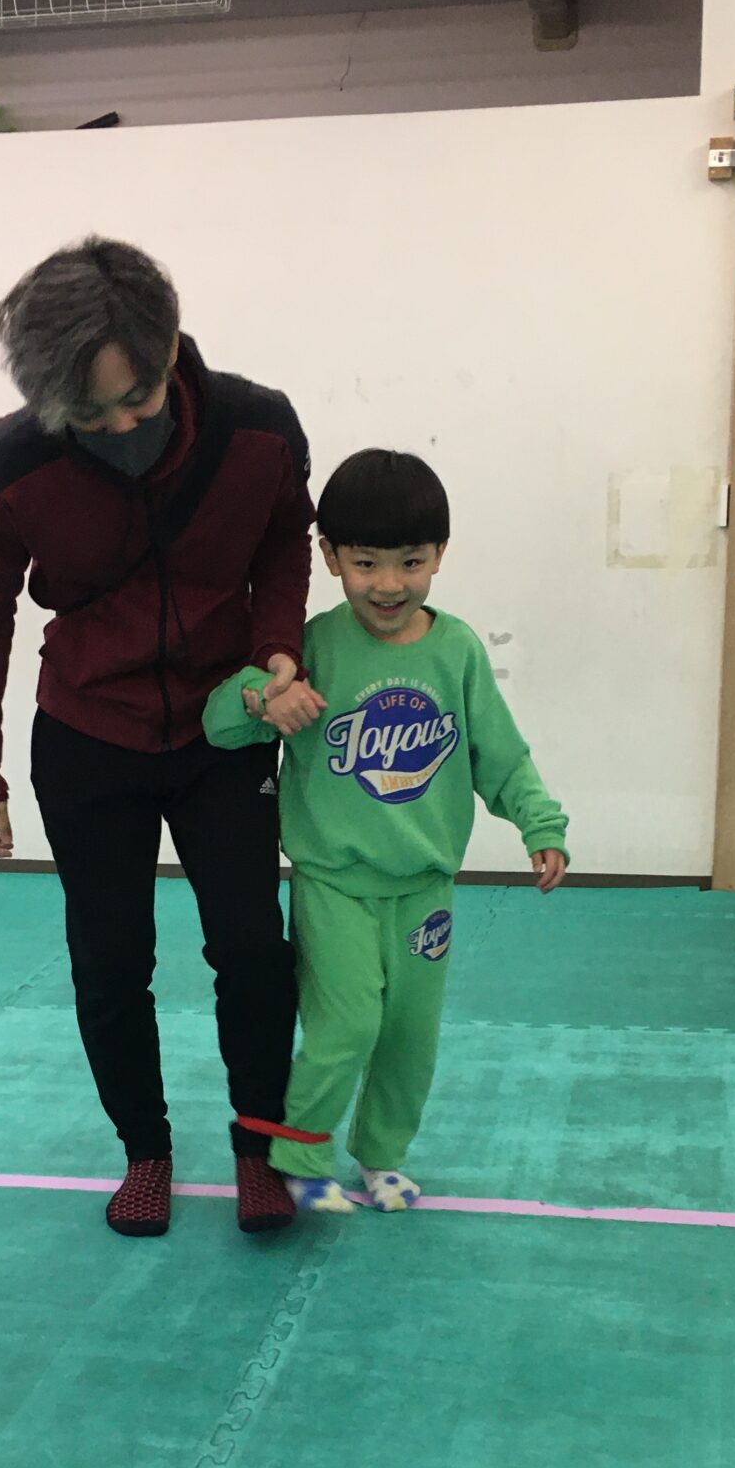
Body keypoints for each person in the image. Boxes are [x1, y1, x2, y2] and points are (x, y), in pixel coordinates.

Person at [0, 237, 325, 1238]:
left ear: (170, 352)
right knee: (110, 960)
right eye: (87, 411)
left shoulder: (259, 428)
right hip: (87, 735)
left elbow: (286, 537)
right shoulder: (11, 463)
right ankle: (145, 1152)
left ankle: (258, 1146)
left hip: (223, 731)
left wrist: (279, 650)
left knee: (252, 946)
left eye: (137, 398)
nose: (118, 426)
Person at [202, 449, 568, 1213]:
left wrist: (540, 823)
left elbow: (498, 754)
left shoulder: (457, 650)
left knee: (408, 1034)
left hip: (425, 887)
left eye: (412, 562)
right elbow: (219, 725)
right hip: (334, 882)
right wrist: (262, 699)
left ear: (440, 554)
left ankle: (382, 1156)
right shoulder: (311, 648)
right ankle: (302, 1156)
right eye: (367, 563)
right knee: (347, 1025)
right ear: (331, 556)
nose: (390, 584)